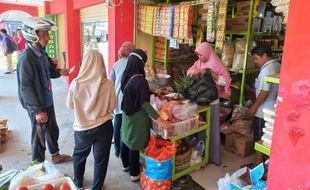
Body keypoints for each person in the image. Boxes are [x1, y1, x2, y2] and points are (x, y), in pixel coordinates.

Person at [17, 17, 73, 164]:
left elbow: (50, 70)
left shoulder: (42, 53)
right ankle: (37, 166)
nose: (48, 38)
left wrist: (60, 72)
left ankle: (55, 155)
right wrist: (36, 110)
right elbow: (25, 87)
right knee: (39, 136)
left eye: (47, 34)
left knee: (52, 129)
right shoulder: (26, 59)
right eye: (44, 35)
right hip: (37, 104)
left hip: (47, 99)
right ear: (33, 36)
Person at [67, 49, 116, 190]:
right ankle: (97, 186)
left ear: (85, 63)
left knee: (79, 156)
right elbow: (112, 106)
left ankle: (78, 183)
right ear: (101, 63)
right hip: (104, 127)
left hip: (82, 128)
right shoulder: (108, 84)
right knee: (101, 160)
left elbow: (70, 105)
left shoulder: (75, 84)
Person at [120, 49, 169, 182]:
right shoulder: (140, 81)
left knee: (126, 138)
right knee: (135, 145)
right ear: (139, 64)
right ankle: (134, 173)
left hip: (126, 113)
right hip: (136, 117)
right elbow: (145, 105)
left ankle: (125, 165)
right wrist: (159, 120)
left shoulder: (126, 75)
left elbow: (132, 92)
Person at [187, 42, 232, 166]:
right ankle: (200, 151)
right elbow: (189, 72)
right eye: (198, 55)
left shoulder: (216, 64)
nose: (199, 58)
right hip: (200, 100)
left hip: (212, 101)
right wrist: (198, 71)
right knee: (200, 125)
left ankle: (212, 155)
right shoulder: (199, 63)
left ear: (207, 52)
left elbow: (226, 80)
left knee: (211, 127)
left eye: (201, 55)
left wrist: (213, 75)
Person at [248, 44, 280, 165]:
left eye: (256, 58)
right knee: (268, 137)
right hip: (273, 108)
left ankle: (259, 163)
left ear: (265, 56)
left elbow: (264, 93)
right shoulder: (277, 65)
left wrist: (253, 108)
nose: (255, 61)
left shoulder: (266, 70)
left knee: (260, 137)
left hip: (263, 110)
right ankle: (266, 163)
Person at [110, 41, 135, 158]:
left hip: (118, 98)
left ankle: (117, 150)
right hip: (129, 99)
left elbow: (111, 82)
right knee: (126, 126)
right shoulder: (133, 63)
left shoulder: (116, 64)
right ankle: (126, 149)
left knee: (117, 123)